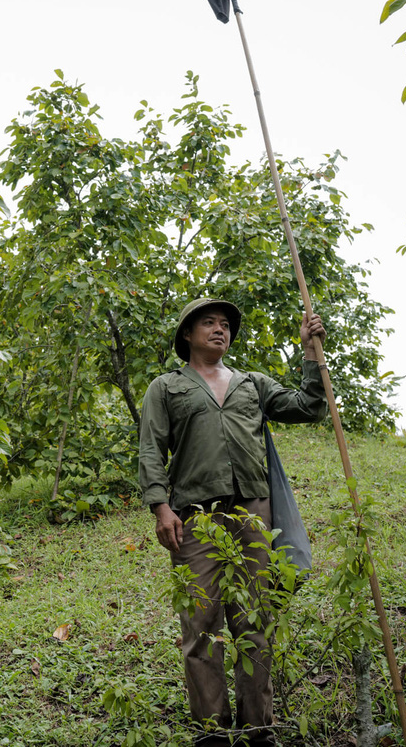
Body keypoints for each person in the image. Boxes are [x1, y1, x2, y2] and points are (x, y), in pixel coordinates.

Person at [137, 298, 327, 747]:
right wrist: (160, 507)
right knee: (200, 625)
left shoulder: (252, 384)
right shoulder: (166, 388)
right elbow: (151, 450)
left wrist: (310, 352)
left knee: (254, 621)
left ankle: (258, 728)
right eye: (209, 323)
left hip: (252, 515)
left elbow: (310, 406)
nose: (220, 330)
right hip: (195, 519)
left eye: (225, 325)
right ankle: (212, 733)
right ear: (188, 334)